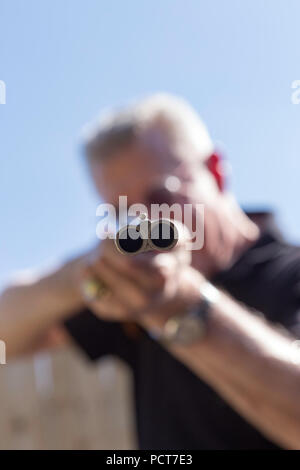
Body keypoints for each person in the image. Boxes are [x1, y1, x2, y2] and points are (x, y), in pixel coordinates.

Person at [1, 94, 300, 450]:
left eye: (162, 198)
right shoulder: (136, 288)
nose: (146, 227)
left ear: (216, 171)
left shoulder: (289, 274)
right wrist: (88, 272)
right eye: (124, 214)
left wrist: (183, 307)